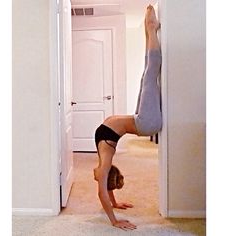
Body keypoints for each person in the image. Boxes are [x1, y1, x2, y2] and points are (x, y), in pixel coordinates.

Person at [93, 5, 162, 231]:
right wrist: (114, 220)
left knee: (147, 75)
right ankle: (151, 30)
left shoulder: (104, 163)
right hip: (144, 123)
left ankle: (149, 31)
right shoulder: (103, 164)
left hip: (141, 120)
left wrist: (115, 203)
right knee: (150, 74)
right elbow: (103, 191)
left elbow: (105, 189)